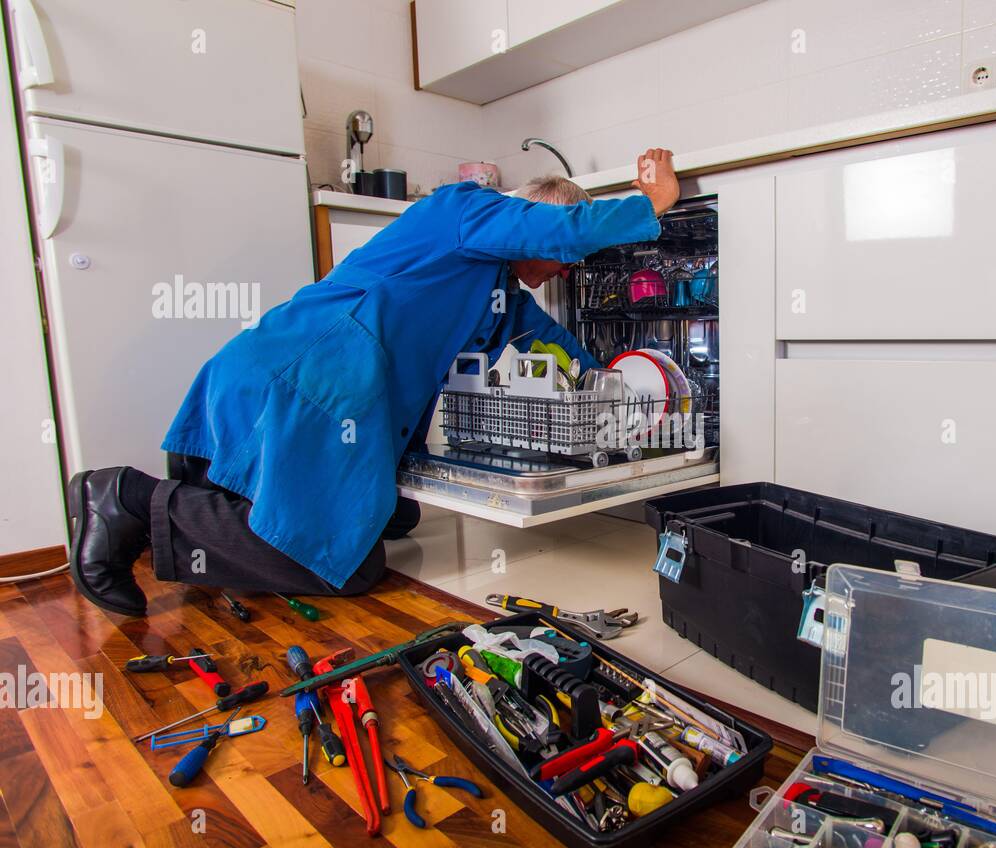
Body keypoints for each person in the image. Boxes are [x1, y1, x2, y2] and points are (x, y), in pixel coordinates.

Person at [67, 148, 681, 617]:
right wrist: (652, 201)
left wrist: (615, 386)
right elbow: (567, 232)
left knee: (395, 515)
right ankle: (126, 500)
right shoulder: (465, 209)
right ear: (532, 222)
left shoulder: (501, 295)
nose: (563, 271)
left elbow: (557, 348)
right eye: (563, 259)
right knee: (351, 568)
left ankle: (197, 514)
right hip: (300, 385)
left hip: (268, 386)